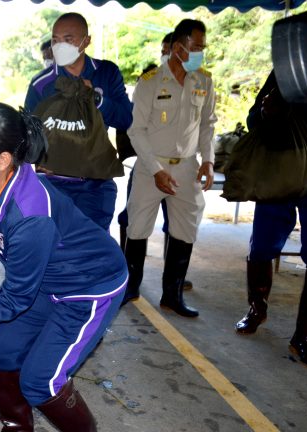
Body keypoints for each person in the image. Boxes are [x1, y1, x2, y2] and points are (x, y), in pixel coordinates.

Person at [0, 102, 128, 431]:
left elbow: (14, 298)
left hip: (87, 289)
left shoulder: (30, 215)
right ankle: (17, 427)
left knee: (41, 381)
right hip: (44, 284)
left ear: (2, 160)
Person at [120, 19, 216, 316]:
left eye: (202, 47)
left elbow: (207, 126)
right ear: (178, 47)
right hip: (152, 166)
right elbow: (136, 131)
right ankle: (131, 287)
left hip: (187, 168)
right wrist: (156, 169)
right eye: (196, 47)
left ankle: (172, 295)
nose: (201, 52)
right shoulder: (150, 82)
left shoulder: (204, 81)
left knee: (185, 230)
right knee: (137, 227)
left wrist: (209, 161)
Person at [24, 12, 133, 231]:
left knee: (92, 250)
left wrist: (97, 99)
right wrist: (36, 158)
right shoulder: (41, 84)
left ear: (86, 41)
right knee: (58, 250)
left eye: (68, 39)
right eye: (55, 39)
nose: (59, 45)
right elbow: (26, 132)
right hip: (54, 184)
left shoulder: (106, 73)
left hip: (96, 184)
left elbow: (125, 119)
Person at [234, 70, 307, 367]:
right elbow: (253, 119)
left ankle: (304, 336)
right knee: (262, 246)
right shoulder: (287, 67)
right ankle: (257, 308)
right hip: (280, 171)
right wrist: (268, 111)